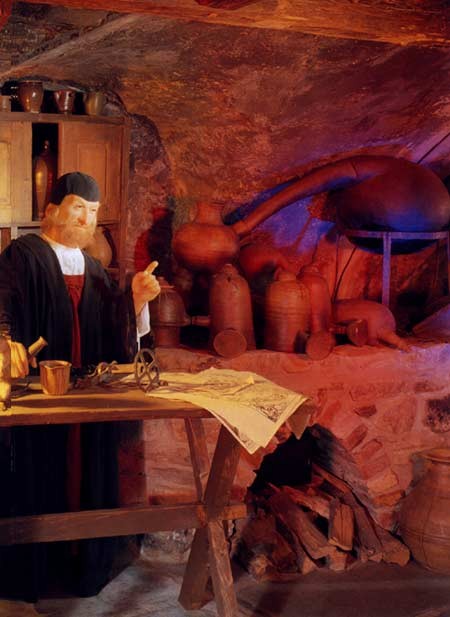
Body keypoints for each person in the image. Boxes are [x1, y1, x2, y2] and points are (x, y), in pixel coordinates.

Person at [0, 172, 161, 601]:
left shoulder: (94, 269)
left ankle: (80, 563)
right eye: (78, 208)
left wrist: (136, 300)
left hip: (86, 395)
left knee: (85, 470)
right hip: (39, 397)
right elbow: (2, 305)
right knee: (37, 474)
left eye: (93, 212)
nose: (87, 219)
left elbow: (114, 329)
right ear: (52, 211)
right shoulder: (22, 255)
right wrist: (5, 341)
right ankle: (36, 569)